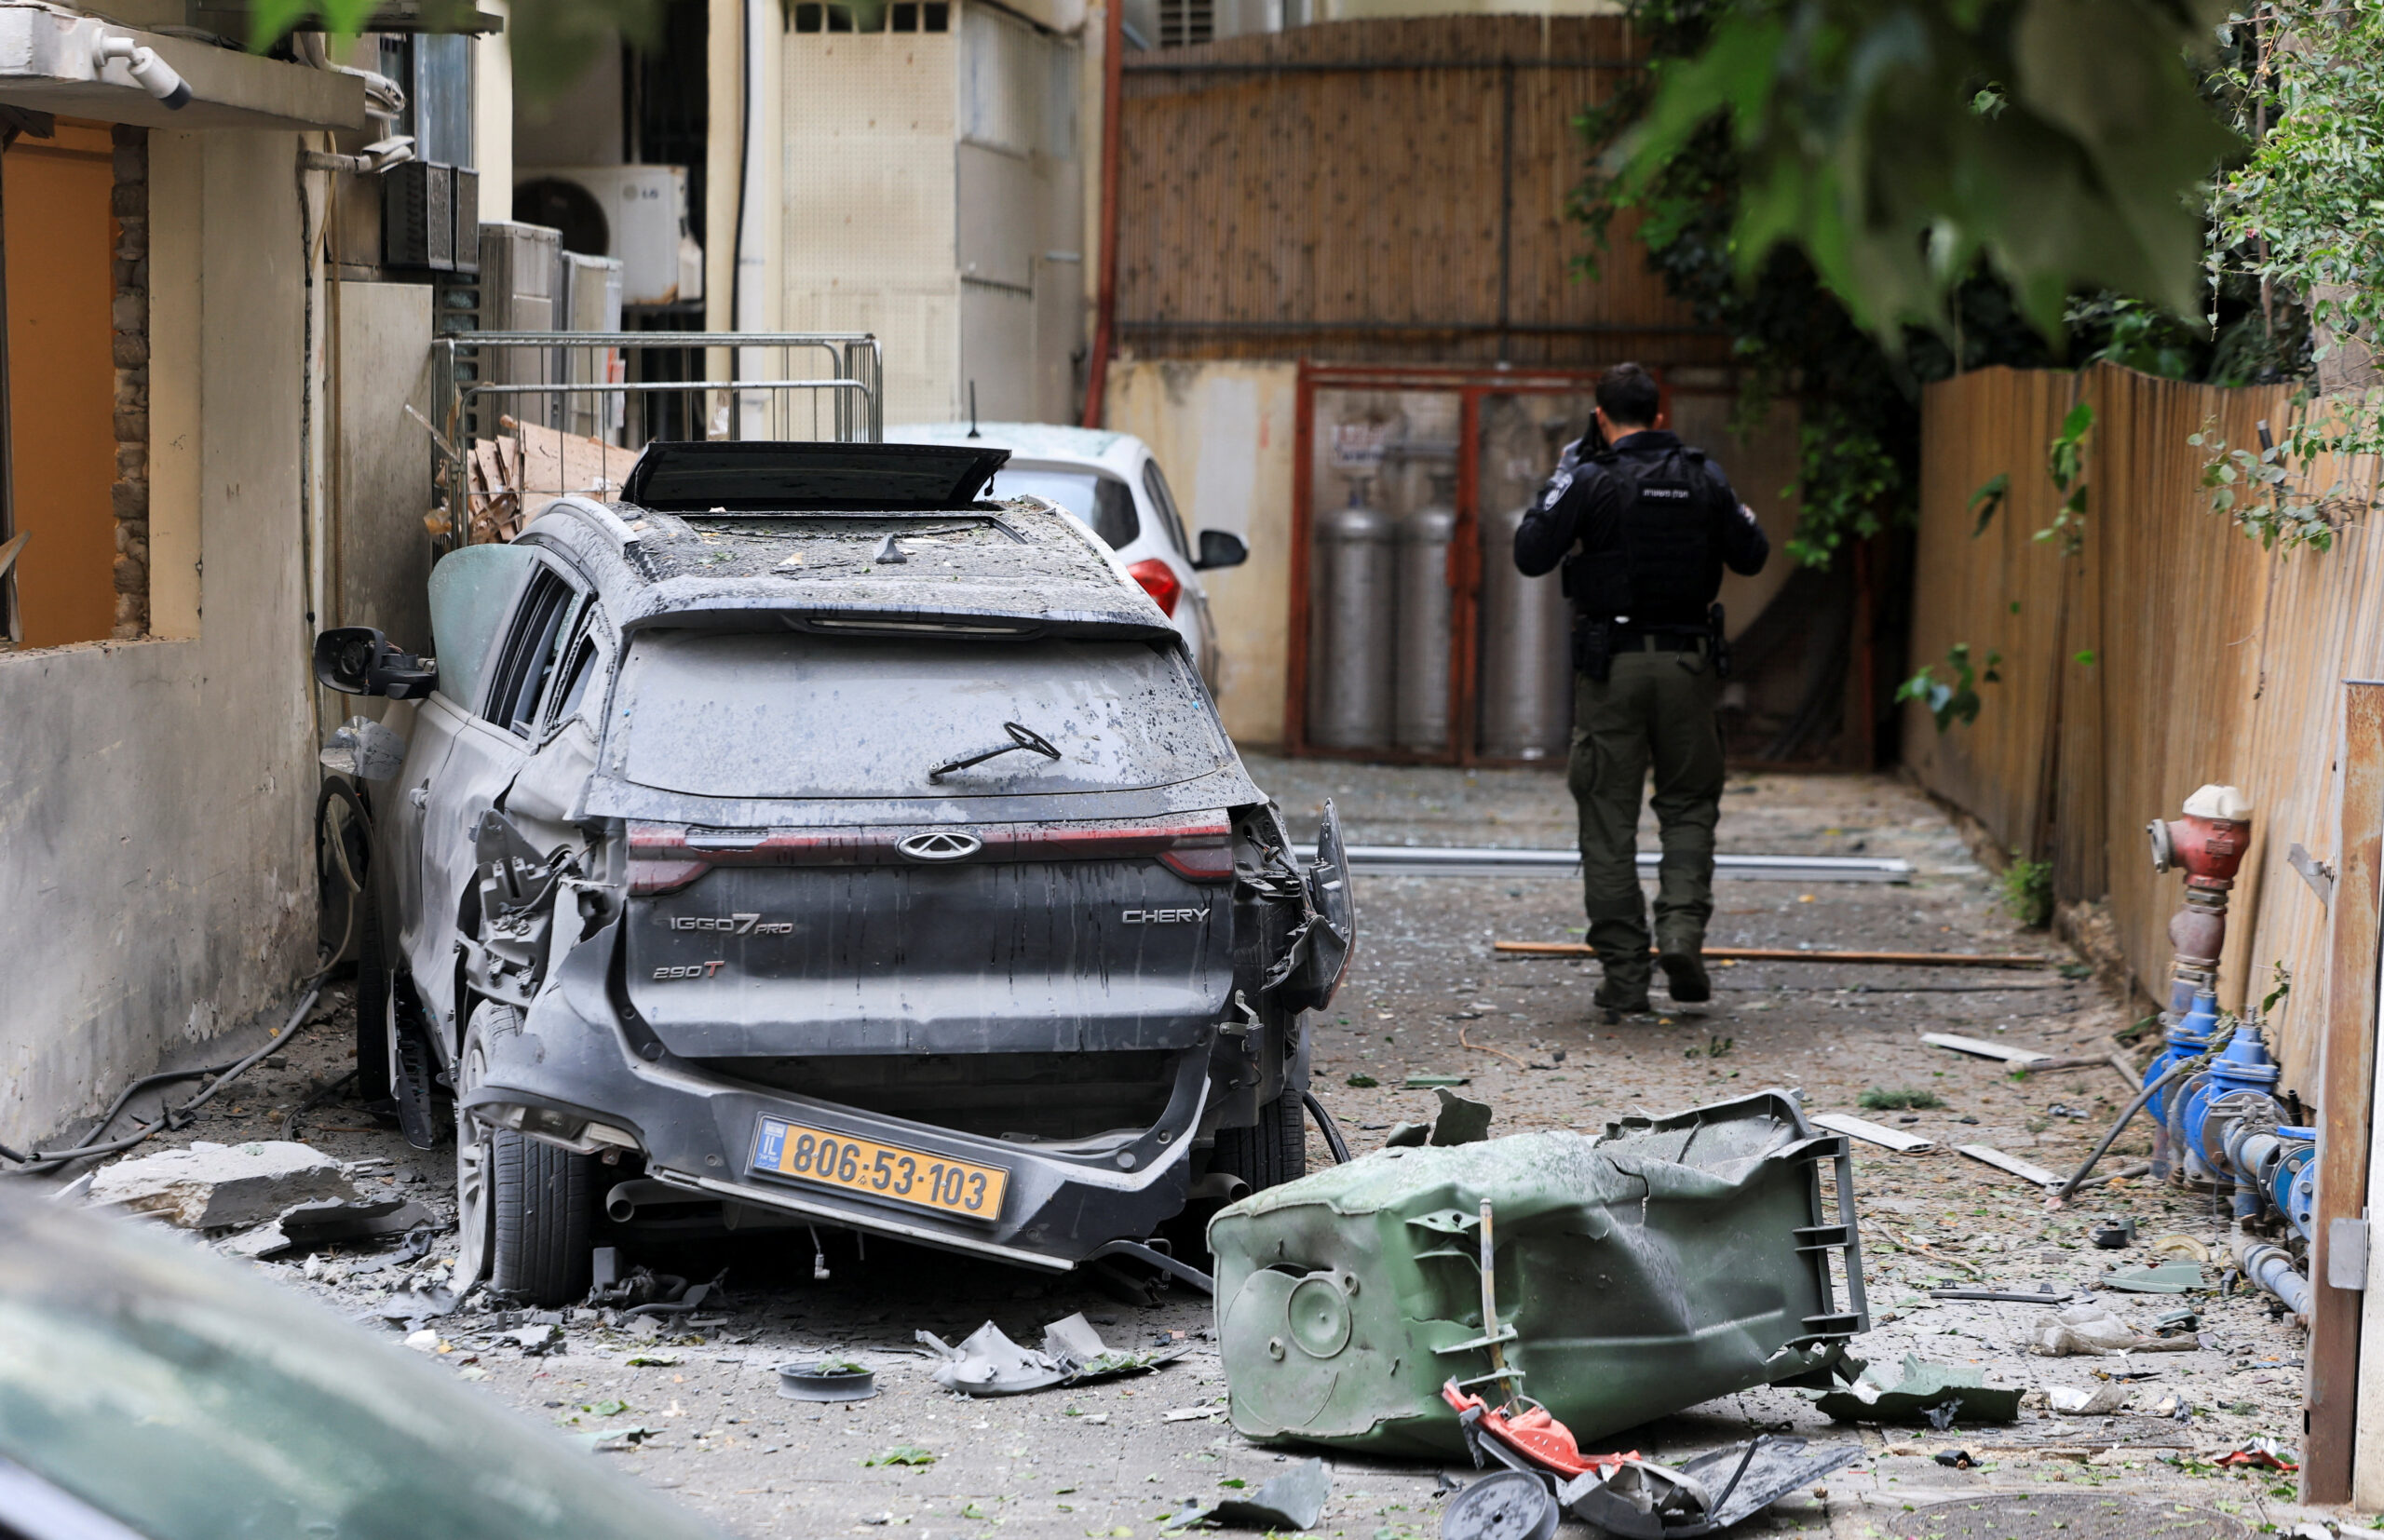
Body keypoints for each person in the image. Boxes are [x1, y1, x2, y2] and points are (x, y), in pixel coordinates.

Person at [1512, 363, 1768, 1022]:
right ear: (1660, 415)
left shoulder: (1590, 479)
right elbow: (1754, 553)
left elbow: (1531, 552)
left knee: (1607, 822)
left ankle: (1625, 978)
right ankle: (1681, 937)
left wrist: (1561, 476)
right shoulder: (1704, 476)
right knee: (1687, 806)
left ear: (1601, 418)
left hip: (1612, 669)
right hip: (1689, 668)